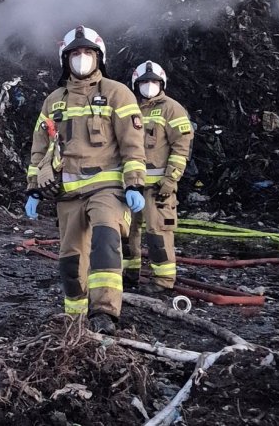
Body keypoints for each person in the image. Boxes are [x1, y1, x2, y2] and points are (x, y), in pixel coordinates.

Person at [25, 26, 147, 334]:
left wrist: (134, 183)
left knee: (106, 241)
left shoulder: (117, 93)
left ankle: (104, 313)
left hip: (107, 187)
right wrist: (33, 189)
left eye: (88, 53)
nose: (82, 58)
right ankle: (75, 320)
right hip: (67, 193)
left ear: (99, 57)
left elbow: (133, 144)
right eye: (75, 53)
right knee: (70, 260)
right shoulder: (54, 101)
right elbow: (40, 147)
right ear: (65, 60)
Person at [122, 61, 193, 293]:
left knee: (158, 234)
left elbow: (182, 147)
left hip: (158, 188)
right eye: (144, 82)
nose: (149, 85)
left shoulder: (172, 109)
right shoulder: (128, 108)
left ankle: (162, 281)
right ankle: (128, 274)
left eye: (154, 81)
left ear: (162, 84)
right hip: (131, 186)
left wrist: (171, 179)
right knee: (126, 233)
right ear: (136, 84)